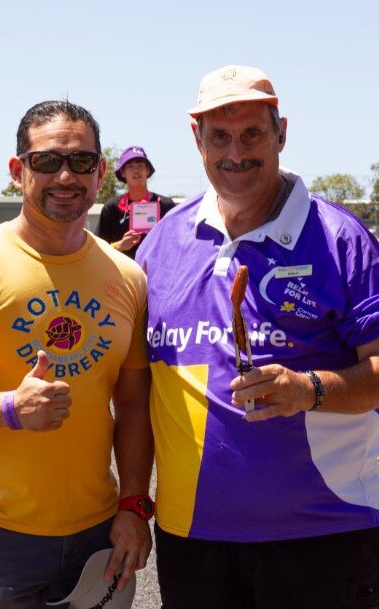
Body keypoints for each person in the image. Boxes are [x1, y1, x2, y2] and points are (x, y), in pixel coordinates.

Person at [135, 65, 379, 609]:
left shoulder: (341, 239)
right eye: (218, 136)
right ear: (195, 139)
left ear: (281, 133)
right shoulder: (162, 244)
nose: (235, 152)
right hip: (192, 537)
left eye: (252, 134)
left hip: (323, 534)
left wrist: (309, 388)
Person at [0, 100, 154, 609]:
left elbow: (134, 401)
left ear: (102, 174)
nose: (66, 176)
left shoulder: (127, 277)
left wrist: (135, 504)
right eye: (47, 161)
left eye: (83, 162)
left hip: (98, 532)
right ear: (17, 170)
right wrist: (9, 408)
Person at [95, 146, 175, 258]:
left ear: (148, 170)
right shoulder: (111, 207)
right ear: (123, 172)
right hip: (122, 274)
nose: (136, 170)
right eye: (130, 166)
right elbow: (98, 249)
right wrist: (119, 246)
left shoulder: (166, 205)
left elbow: (176, 244)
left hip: (158, 273)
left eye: (140, 165)